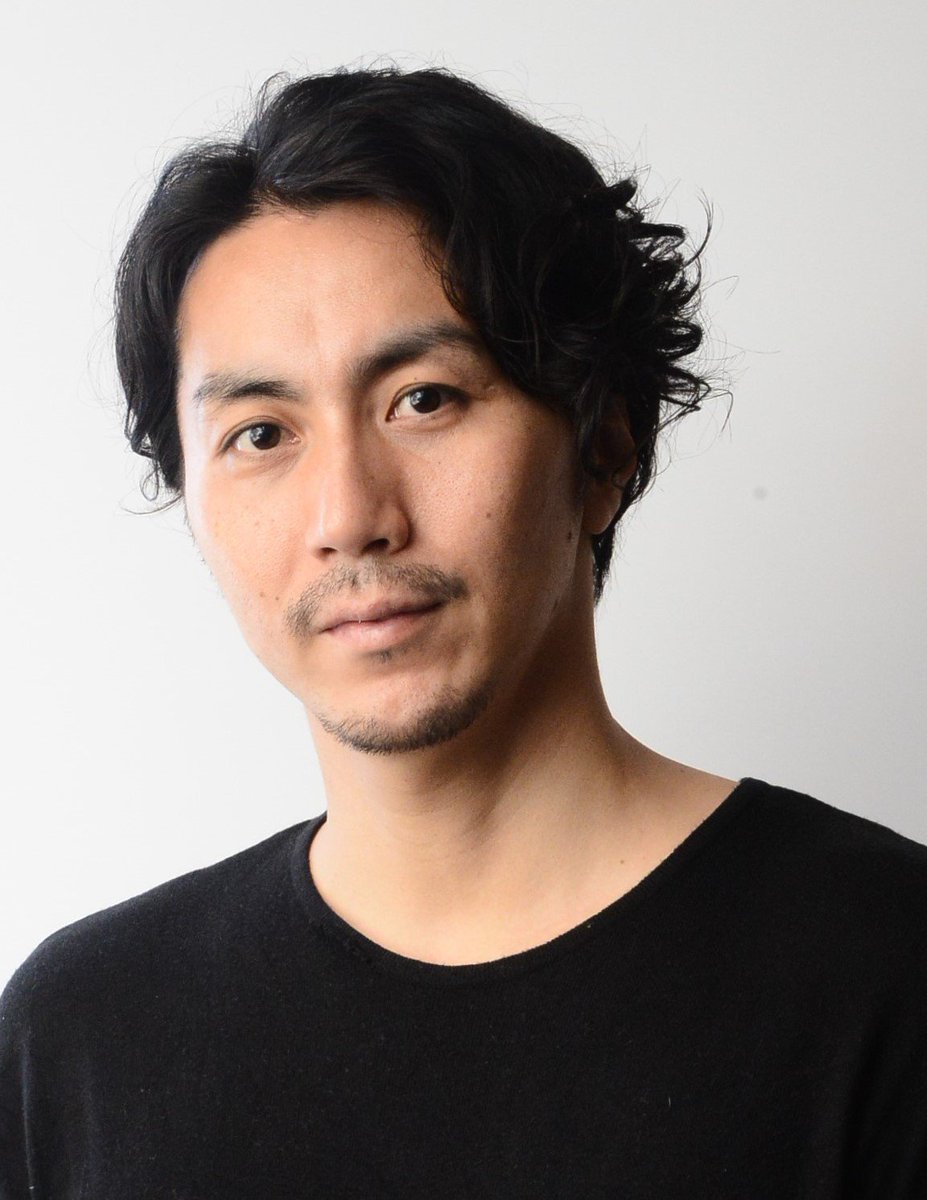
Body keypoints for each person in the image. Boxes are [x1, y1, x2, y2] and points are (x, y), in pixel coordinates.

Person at [1, 66, 925, 1198]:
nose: (349, 517)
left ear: (604, 442)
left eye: (425, 399)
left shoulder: (882, 971)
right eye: (261, 433)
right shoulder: (81, 1038)